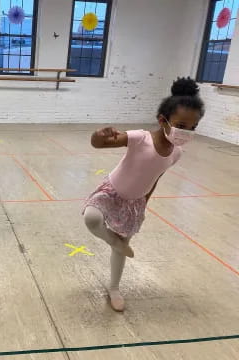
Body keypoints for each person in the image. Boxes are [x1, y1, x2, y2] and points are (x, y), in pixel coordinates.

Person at [83, 77, 205, 312]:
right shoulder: (140, 138)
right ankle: (114, 242)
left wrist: (144, 205)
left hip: (134, 202)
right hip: (112, 190)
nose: (186, 132)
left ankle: (114, 288)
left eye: (192, 128)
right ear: (163, 120)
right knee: (92, 218)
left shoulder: (176, 153)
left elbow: (155, 178)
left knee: (123, 244)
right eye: (181, 125)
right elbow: (99, 144)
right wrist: (99, 134)